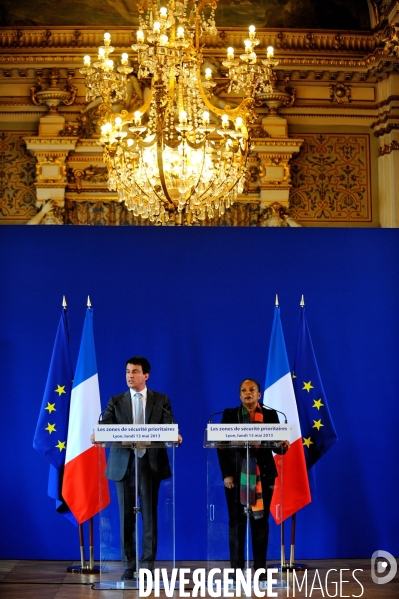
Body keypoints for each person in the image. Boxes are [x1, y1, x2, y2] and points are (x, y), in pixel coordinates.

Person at [99, 356, 181, 580]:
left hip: (149, 462)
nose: (129, 376)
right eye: (127, 371)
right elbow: (105, 425)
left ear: (146, 376)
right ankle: (129, 564)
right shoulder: (116, 401)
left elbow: (168, 425)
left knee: (149, 516)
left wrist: (174, 434)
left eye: (135, 372)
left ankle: (147, 564)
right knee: (126, 516)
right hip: (123, 463)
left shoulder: (160, 400)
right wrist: (99, 433)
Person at [217, 378, 290, 582]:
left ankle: (260, 571)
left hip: (264, 476)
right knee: (237, 523)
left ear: (259, 395)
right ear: (239, 395)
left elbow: (275, 445)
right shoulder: (229, 415)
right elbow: (221, 448)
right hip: (236, 476)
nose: (247, 393)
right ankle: (236, 572)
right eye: (243, 390)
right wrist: (226, 474)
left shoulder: (271, 415)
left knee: (260, 524)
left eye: (251, 390)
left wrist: (282, 446)